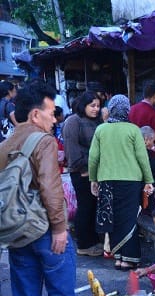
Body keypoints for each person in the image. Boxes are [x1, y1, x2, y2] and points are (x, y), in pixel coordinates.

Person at [0, 79, 85, 296]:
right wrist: (60, 229)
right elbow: (51, 187)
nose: (54, 118)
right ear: (36, 115)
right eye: (51, 112)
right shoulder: (43, 140)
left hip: (16, 234)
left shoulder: (5, 144)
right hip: (47, 233)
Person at [89, 94, 154, 271]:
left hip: (107, 180)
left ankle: (117, 257)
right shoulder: (133, 130)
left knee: (113, 219)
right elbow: (142, 158)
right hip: (131, 181)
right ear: (127, 110)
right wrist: (149, 180)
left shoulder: (101, 130)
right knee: (129, 219)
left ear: (111, 109)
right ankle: (128, 259)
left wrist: (93, 179)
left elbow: (93, 158)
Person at [63, 91, 103, 256]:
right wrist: (85, 170)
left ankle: (93, 241)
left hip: (95, 172)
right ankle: (84, 244)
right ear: (83, 105)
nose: (95, 109)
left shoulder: (97, 121)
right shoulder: (73, 121)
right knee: (85, 207)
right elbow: (72, 152)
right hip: (81, 172)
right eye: (92, 105)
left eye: (98, 106)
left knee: (94, 207)